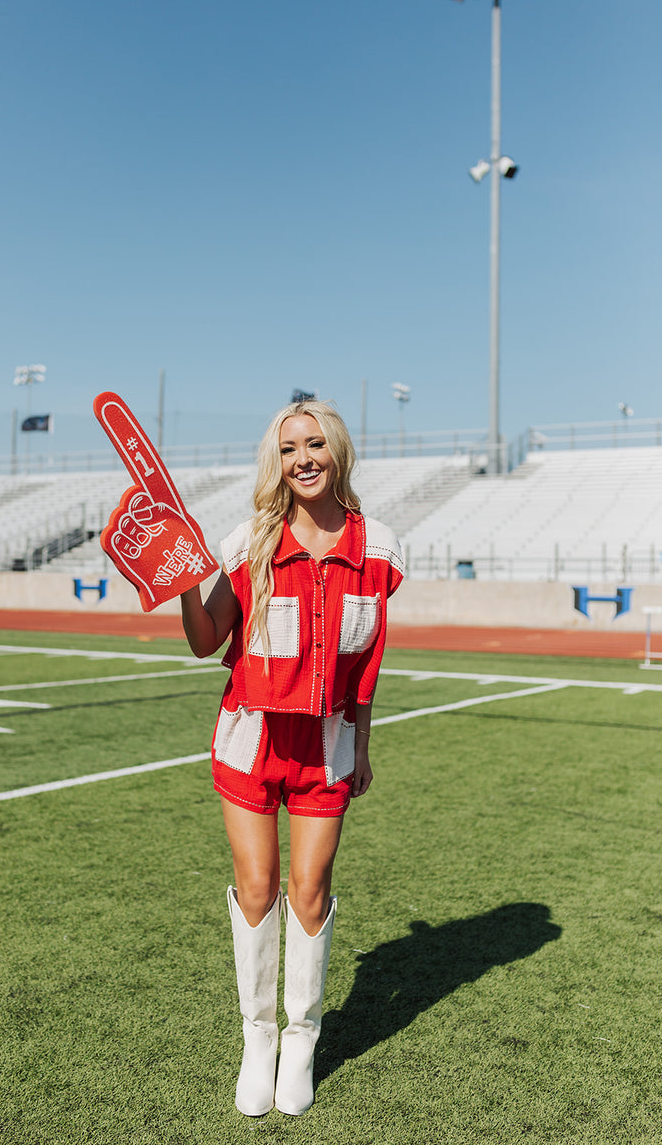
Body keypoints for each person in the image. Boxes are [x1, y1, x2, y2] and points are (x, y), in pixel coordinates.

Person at [180, 399, 403, 1117]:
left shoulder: (378, 548)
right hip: (251, 740)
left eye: (313, 444)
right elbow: (205, 636)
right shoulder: (249, 540)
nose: (302, 458)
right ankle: (258, 1040)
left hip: (326, 747)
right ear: (274, 462)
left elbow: (367, 663)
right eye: (287, 449)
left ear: (337, 451)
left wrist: (362, 746)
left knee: (308, 890)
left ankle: (301, 1040)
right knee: (256, 888)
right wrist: (185, 577)